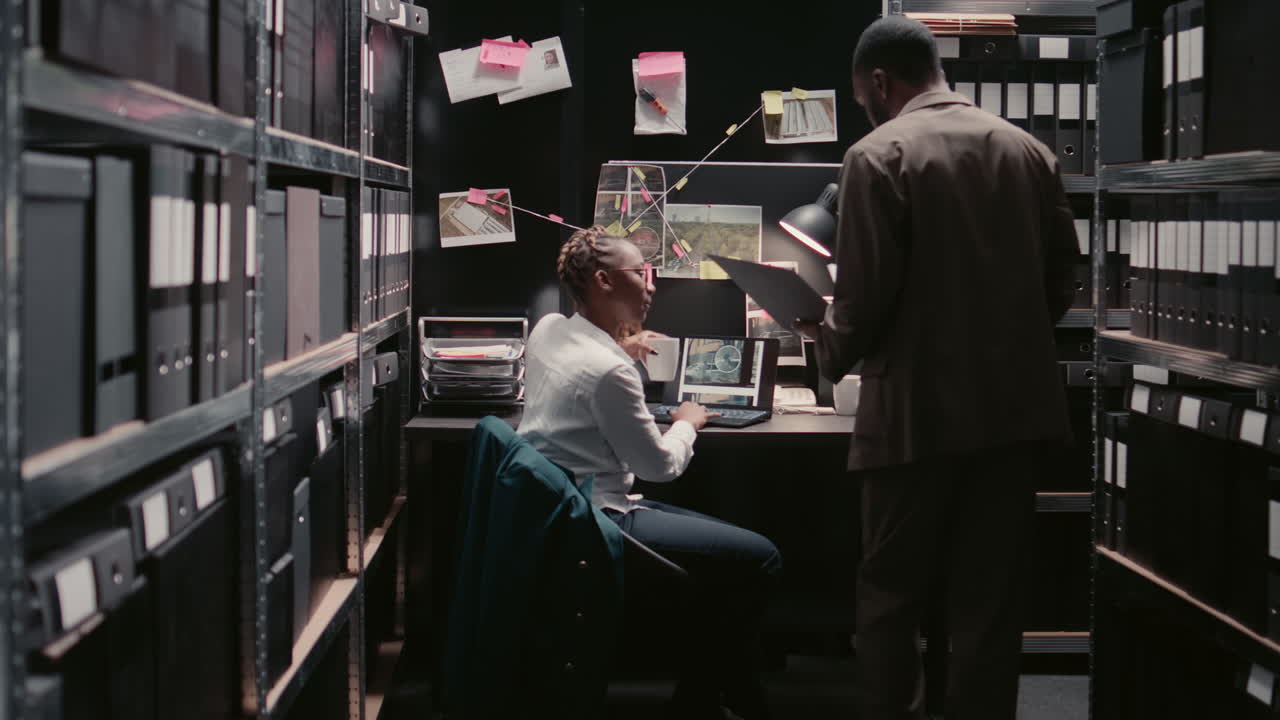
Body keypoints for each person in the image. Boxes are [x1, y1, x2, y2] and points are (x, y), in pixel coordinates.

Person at [796, 15, 1078, 720]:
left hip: (912, 423)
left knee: (891, 598)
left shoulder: (876, 155)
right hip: (1013, 419)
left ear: (880, 83)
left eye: (864, 97)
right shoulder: (1031, 153)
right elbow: (1062, 284)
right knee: (990, 603)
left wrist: (823, 344)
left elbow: (861, 302)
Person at [519, 225, 782, 720]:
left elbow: (586, 375)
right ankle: (718, 699)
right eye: (641, 273)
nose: (652, 283)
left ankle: (714, 696)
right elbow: (660, 467)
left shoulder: (550, 328)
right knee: (761, 558)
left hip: (557, 508)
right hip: (602, 519)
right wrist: (687, 423)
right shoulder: (608, 372)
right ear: (602, 281)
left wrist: (624, 349)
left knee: (724, 571)